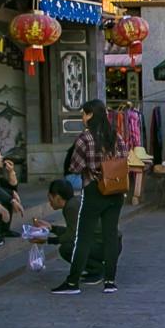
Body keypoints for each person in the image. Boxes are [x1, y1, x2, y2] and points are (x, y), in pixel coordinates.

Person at [53, 99, 127, 295]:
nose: (83, 118)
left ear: (91, 115)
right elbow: (124, 159)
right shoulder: (116, 136)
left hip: (95, 190)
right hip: (116, 190)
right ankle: (110, 281)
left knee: (83, 237)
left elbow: (75, 167)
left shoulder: (85, 138)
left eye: (84, 114)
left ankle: (72, 282)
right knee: (110, 234)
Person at [35, 179, 103, 282]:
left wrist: (48, 240)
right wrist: (51, 228)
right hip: (107, 243)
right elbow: (74, 231)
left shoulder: (71, 207)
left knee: (66, 249)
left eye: (50, 199)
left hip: (102, 245)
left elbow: (72, 235)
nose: (50, 203)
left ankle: (98, 270)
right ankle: (97, 269)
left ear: (57, 198)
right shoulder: (76, 201)